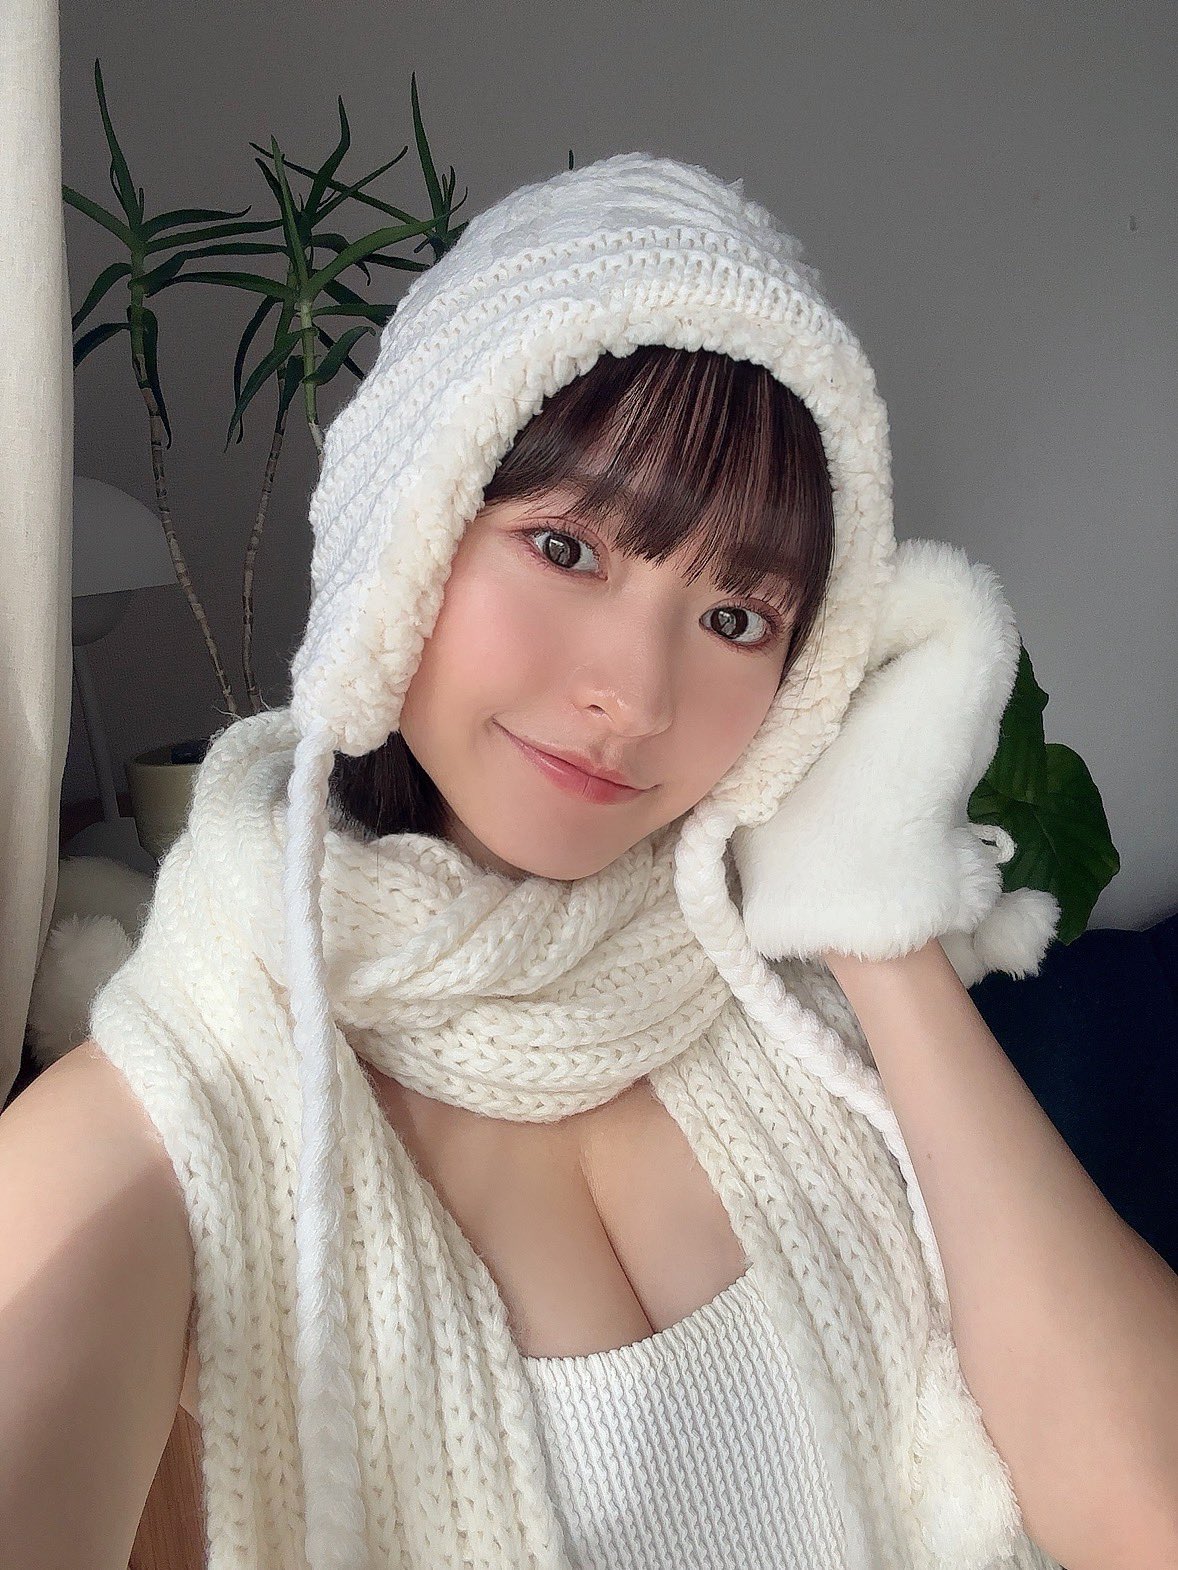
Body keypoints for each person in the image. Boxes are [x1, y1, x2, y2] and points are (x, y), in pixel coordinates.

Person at [5, 151, 1173, 1570]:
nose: (638, 695)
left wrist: (876, 921)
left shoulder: (797, 1022)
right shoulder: (168, 1112)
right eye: (565, 547)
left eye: (737, 619)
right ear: (405, 535)